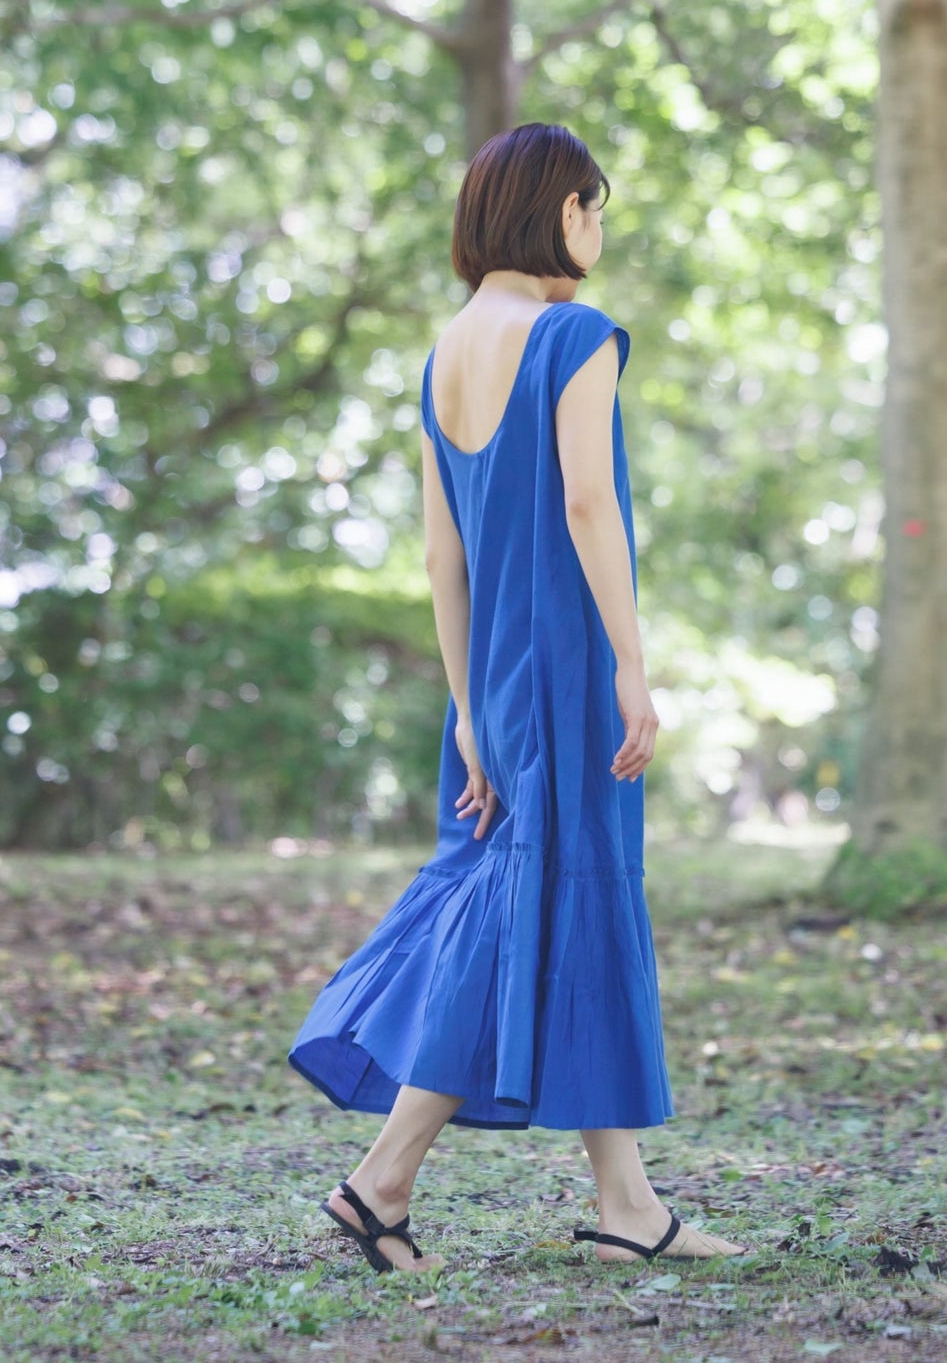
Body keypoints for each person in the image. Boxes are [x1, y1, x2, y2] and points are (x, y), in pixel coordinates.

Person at [287, 122, 747, 1272]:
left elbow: (442, 561)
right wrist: (630, 667)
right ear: (557, 211)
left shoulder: (446, 352)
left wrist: (464, 706)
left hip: (493, 682)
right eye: (593, 206)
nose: (598, 229)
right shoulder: (574, 336)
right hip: (566, 670)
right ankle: (379, 1182)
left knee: (563, 906)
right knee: (535, 905)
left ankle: (627, 1206)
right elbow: (590, 508)